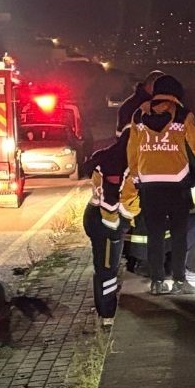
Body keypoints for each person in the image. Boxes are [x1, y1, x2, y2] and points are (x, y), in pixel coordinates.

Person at [125, 75, 195, 293]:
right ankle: (179, 281)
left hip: (149, 183)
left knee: (155, 235)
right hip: (177, 183)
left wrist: (135, 174)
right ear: (176, 94)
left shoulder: (139, 115)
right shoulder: (182, 115)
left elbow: (133, 148)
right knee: (179, 234)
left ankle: (157, 282)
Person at [84, 134, 137, 328]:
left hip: (100, 218)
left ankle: (104, 311)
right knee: (107, 269)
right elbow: (110, 205)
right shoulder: (118, 163)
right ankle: (107, 316)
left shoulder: (110, 157)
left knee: (103, 268)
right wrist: (118, 226)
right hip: (106, 222)